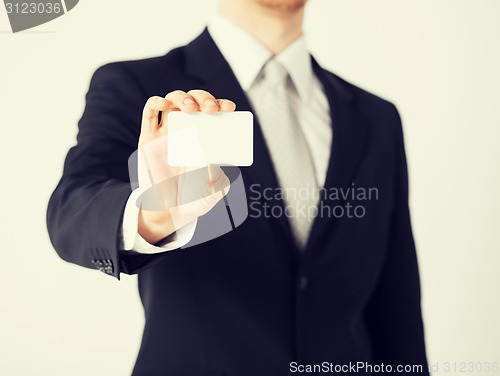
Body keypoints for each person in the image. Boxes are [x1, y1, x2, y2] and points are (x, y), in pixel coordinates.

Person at [47, 0, 429, 374]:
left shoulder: (377, 120)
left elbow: (396, 308)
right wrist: (157, 213)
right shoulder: (140, 89)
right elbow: (73, 212)